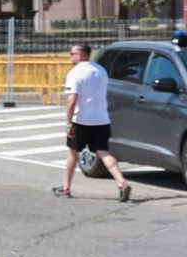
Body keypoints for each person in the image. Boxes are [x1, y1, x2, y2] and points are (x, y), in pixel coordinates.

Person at [56, 43, 131, 202]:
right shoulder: (100, 70)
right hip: (101, 119)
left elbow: (71, 101)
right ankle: (122, 182)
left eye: (72, 54)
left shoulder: (75, 73)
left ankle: (66, 188)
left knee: (73, 153)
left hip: (82, 120)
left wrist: (69, 124)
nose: (71, 57)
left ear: (80, 55)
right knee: (103, 152)